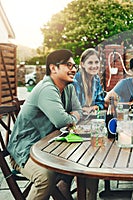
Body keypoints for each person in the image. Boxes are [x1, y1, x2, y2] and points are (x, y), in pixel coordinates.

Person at [7, 49, 82, 200]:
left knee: (84, 167)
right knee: (45, 177)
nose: (73, 69)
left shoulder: (69, 87)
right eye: (68, 65)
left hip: (49, 148)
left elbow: (78, 110)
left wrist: (71, 117)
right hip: (25, 151)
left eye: (75, 66)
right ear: (53, 68)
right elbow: (61, 121)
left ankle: (64, 188)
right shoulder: (46, 89)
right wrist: (72, 118)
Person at [73, 48, 105, 114]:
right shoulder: (75, 80)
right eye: (90, 63)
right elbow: (71, 107)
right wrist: (83, 109)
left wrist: (94, 107)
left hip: (91, 118)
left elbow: (100, 102)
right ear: (82, 64)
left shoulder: (96, 79)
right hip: (76, 119)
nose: (94, 66)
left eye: (96, 62)